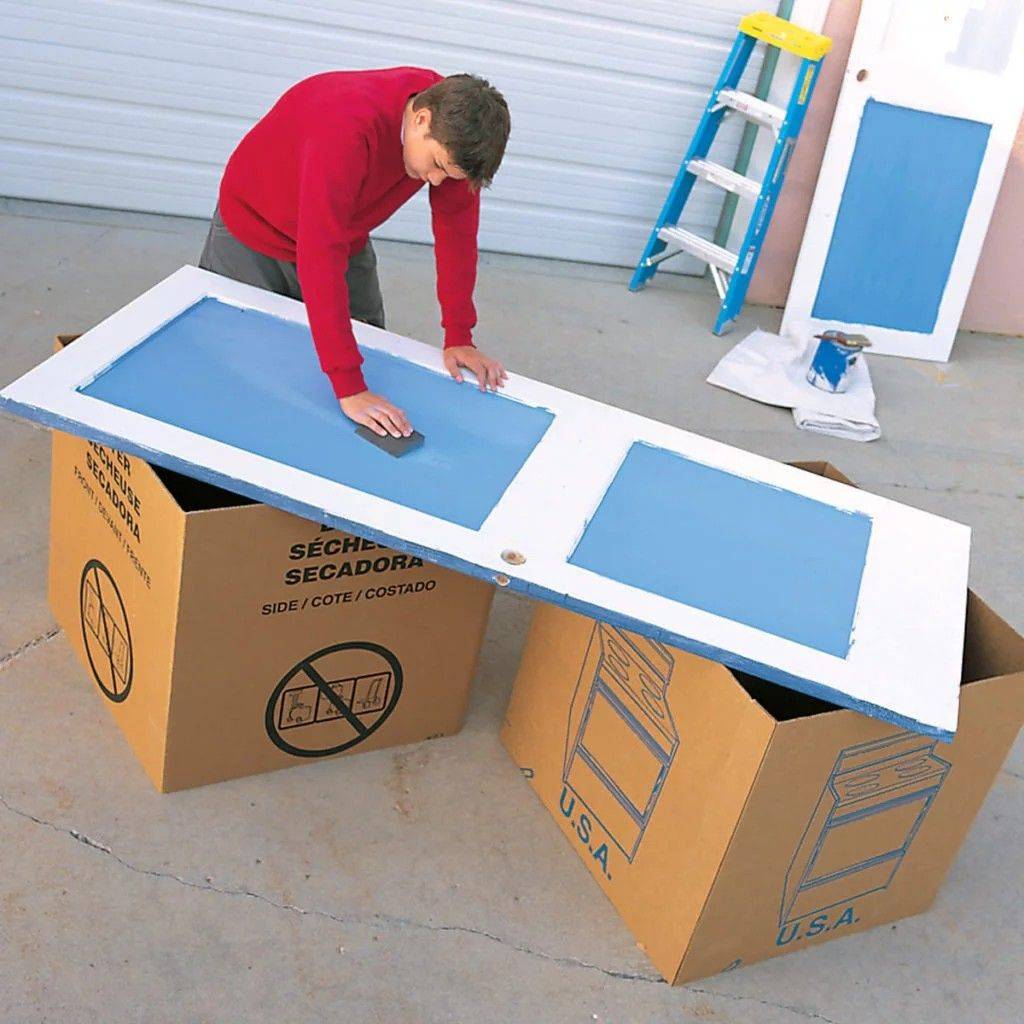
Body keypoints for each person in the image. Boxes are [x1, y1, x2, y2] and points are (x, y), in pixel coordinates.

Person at [199, 68, 511, 438]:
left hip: (343, 230)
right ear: (420, 118)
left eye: (450, 175)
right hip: (254, 228)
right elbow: (320, 254)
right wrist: (350, 387)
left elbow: (456, 234)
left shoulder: (456, 131)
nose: (438, 182)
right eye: (438, 167)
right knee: (241, 367)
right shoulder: (346, 128)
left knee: (367, 345)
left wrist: (459, 335)